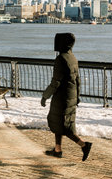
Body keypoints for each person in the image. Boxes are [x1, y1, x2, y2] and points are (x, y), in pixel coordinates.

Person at [41, 33, 92, 161]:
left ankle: (84, 145)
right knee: (59, 122)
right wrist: (78, 96)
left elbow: (56, 82)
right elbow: (78, 80)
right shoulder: (72, 57)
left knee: (64, 125)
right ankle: (57, 150)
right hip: (71, 95)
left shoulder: (61, 59)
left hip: (61, 97)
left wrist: (45, 96)